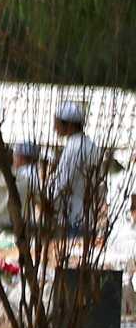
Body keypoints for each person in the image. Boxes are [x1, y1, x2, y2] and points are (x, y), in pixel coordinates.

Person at [48, 99, 103, 237]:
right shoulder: (91, 145)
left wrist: (47, 202)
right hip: (87, 216)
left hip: (73, 217)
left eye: (57, 123)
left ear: (69, 124)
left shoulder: (75, 147)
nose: (55, 128)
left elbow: (63, 182)